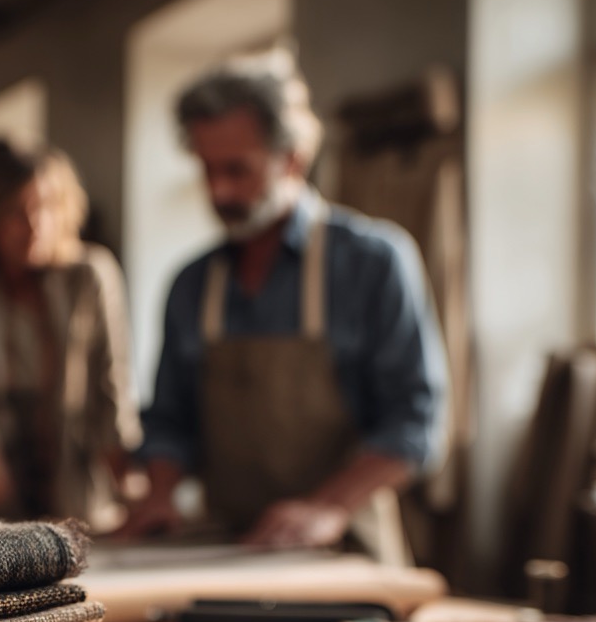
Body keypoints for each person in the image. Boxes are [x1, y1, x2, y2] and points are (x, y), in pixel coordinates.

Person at [122, 52, 448, 562]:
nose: (219, 191)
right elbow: (169, 420)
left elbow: (414, 422)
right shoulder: (191, 285)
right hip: (226, 548)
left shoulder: (372, 263)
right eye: (207, 170)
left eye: (237, 170)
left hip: (343, 547)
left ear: (292, 158)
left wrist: (325, 507)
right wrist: (160, 493)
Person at [0, 139, 141, 525]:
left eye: (47, 207)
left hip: (74, 485)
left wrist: (131, 489)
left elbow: (112, 387)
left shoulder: (89, 274)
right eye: (15, 213)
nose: (35, 227)